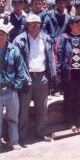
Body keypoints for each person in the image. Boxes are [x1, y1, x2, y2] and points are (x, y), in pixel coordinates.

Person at [13, 14, 56, 144]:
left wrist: (51, 77)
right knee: (23, 109)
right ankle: (21, 136)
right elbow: (15, 61)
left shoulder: (46, 39)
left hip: (42, 77)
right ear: (27, 25)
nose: (35, 27)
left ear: (41, 25)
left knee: (42, 108)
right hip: (26, 77)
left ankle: (41, 132)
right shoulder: (20, 40)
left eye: (37, 24)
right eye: (32, 24)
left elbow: (51, 60)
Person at [56, 16, 80, 130]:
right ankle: (69, 121)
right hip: (68, 73)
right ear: (71, 25)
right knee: (68, 97)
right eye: (77, 24)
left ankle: (77, 120)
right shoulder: (63, 38)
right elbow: (58, 54)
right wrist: (58, 71)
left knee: (78, 97)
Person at [0, 20, 27, 150]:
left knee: (13, 117)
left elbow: (21, 71)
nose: (0, 36)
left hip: (11, 90)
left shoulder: (14, 50)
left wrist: (17, 87)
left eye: (2, 34)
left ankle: (14, 141)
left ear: (7, 36)